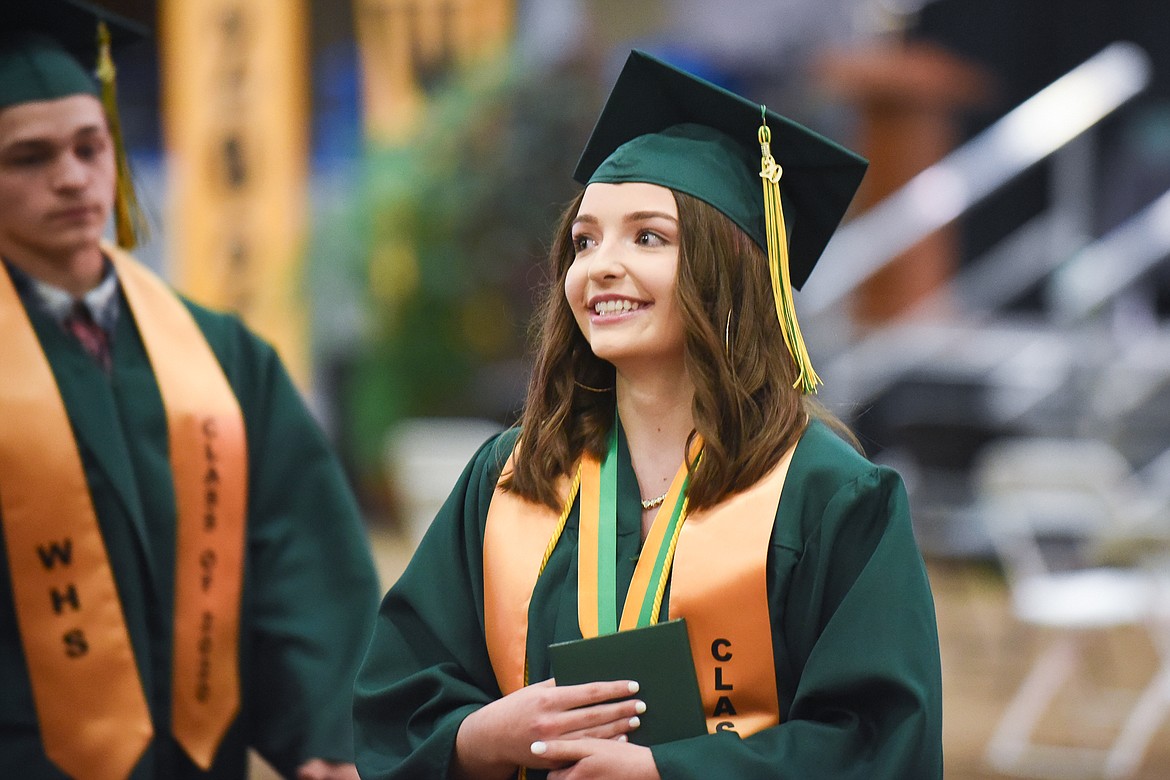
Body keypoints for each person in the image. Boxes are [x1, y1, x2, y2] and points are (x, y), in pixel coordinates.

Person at [353, 49, 943, 779]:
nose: (601, 263)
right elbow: (398, 698)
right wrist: (480, 736)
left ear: (728, 272)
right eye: (584, 240)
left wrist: (669, 773)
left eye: (649, 237)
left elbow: (879, 743)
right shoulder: (510, 480)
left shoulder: (828, 497)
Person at [0, 3, 380, 778]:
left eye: (88, 146)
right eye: (29, 156)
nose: (72, 177)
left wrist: (323, 739)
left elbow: (299, 560)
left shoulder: (218, 355)